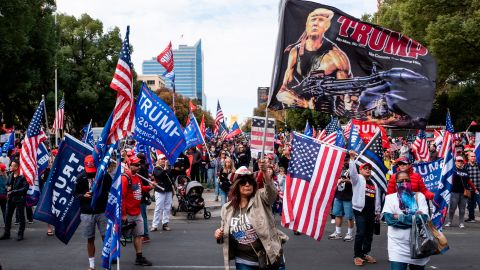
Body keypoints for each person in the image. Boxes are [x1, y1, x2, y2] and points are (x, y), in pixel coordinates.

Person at [277, 8, 353, 113]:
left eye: (320, 20)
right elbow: (282, 91)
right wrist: (304, 102)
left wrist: (345, 101)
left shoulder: (336, 56)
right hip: (305, 98)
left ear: (326, 27)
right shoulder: (295, 52)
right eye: (313, 20)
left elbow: (349, 86)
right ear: (307, 25)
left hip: (329, 104)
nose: (315, 23)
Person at [214, 164, 288, 270]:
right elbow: (224, 231)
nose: (247, 184)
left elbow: (271, 194)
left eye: (250, 181)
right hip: (244, 261)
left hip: (270, 257)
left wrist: (265, 174)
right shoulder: (227, 208)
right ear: (236, 186)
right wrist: (218, 234)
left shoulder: (260, 197)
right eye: (243, 182)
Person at [382, 171, 430, 270]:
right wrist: (414, 219)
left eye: (407, 180)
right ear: (395, 183)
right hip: (397, 247)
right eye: (401, 180)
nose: (404, 182)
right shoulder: (390, 198)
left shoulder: (419, 196)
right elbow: (389, 220)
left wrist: (399, 217)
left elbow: (424, 218)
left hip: (419, 245)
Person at [74, 155, 113, 270]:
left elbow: (112, 189)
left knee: (106, 238)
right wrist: (83, 195)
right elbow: (75, 193)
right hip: (87, 212)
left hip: (102, 211)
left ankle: (107, 263)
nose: (91, 173)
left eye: (93, 170)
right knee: (90, 238)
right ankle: (92, 265)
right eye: (89, 170)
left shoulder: (104, 175)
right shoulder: (80, 177)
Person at [349, 151, 381, 266]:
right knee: (361, 233)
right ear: (360, 170)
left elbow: (377, 198)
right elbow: (352, 173)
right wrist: (352, 159)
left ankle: (365, 253)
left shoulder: (374, 183)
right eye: (365, 168)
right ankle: (357, 255)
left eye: (369, 168)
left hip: (371, 212)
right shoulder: (357, 179)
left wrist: (377, 211)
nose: (368, 170)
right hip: (360, 211)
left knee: (369, 234)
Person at [122, 156, 153, 266]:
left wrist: (149, 187)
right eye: (136, 165)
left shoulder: (137, 177)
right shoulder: (125, 178)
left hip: (137, 211)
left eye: (139, 165)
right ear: (130, 165)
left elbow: (140, 189)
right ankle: (112, 256)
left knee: (139, 235)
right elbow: (122, 197)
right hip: (128, 213)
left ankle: (139, 257)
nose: (138, 167)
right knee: (121, 237)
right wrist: (124, 214)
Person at [445, 156, 477, 228]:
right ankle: (450, 221)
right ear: (455, 162)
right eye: (458, 161)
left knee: (462, 209)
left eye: (461, 161)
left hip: (464, 192)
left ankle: (461, 223)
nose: (460, 162)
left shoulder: (465, 170)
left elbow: (468, 181)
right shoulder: (452, 170)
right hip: (454, 192)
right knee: (452, 208)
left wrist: (475, 189)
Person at [0, 160, 28, 241]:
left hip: (19, 199)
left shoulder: (22, 177)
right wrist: (7, 187)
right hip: (11, 199)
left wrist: (14, 191)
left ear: (16, 167)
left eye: (12, 166)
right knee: (8, 216)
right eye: (11, 165)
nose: (10, 167)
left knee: (21, 217)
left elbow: (25, 188)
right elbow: (7, 184)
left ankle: (20, 234)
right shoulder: (10, 175)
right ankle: (6, 233)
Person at [328, 173, 354, 242]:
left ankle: (349, 234)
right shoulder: (339, 167)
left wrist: (348, 181)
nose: (344, 161)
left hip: (349, 196)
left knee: (349, 216)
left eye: (346, 161)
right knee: (337, 214)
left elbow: (357, 181)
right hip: (338, 195)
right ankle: (338, 233)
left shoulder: (353, 168)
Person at [151, 154, 174, 232]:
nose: (164, 160)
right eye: (162, 159)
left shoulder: (168, 168)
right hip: (160, 190)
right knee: (158, 208)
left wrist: (167, 167)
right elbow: (160, 175)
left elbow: (171, 175)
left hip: (168, 189)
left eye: (164, 159)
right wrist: (165, 168)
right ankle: (154, 225)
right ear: (158, 160)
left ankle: (165, 223)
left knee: (167, 207)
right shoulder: (156, 169)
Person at [465, 152, 480, 222]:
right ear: (468, 157)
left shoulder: (478, 165)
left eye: (474, 156)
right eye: (472, 156)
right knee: (470, 204)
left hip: (478, 188)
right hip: (469, 189)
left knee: (479, 202)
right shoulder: (466, 166)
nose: (473, 158)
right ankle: (471, 218)